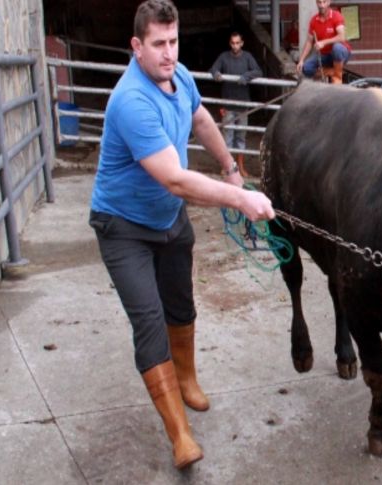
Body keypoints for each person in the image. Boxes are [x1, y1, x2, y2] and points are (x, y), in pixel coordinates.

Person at [89, 0, 274, 469]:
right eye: (158, 44)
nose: (168, 53)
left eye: (173, 42)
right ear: (137, 46)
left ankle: (187, 380)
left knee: (181, 304)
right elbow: (174, 178)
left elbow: (202, 121)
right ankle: (180, 434)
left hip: (169, 219)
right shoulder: (132, 100)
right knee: (149, 320)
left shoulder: (182, 76)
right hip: (123, 227)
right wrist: (240, 199)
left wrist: (232, 169)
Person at [210, 32, 263, 177]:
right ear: (230, 43)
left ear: (242, 43)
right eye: (233, 43)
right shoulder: (224, 57)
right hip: (227, 104)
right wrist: (216, 75)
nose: (235, 46)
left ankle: (240, 166)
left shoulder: (247, 57)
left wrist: (246, 76)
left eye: (237, 43)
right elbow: (213, 69)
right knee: (227, 137)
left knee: (240, 137)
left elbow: (258, 71)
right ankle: (226, 166)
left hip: (242, 104)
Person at [296, 0, 351, 84]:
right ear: (316, 3)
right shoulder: (314, 20)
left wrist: (323, 42)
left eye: (324, 2)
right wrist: (301, 60)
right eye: (319, 2)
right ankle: (334, 71)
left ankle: (337, 78)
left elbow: (342, 37)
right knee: (306, 68)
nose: (322, 5)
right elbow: (309, 42)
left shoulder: (336, 16)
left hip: (341, 53)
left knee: (337, 48)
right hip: (325, 55)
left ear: (329, 2)